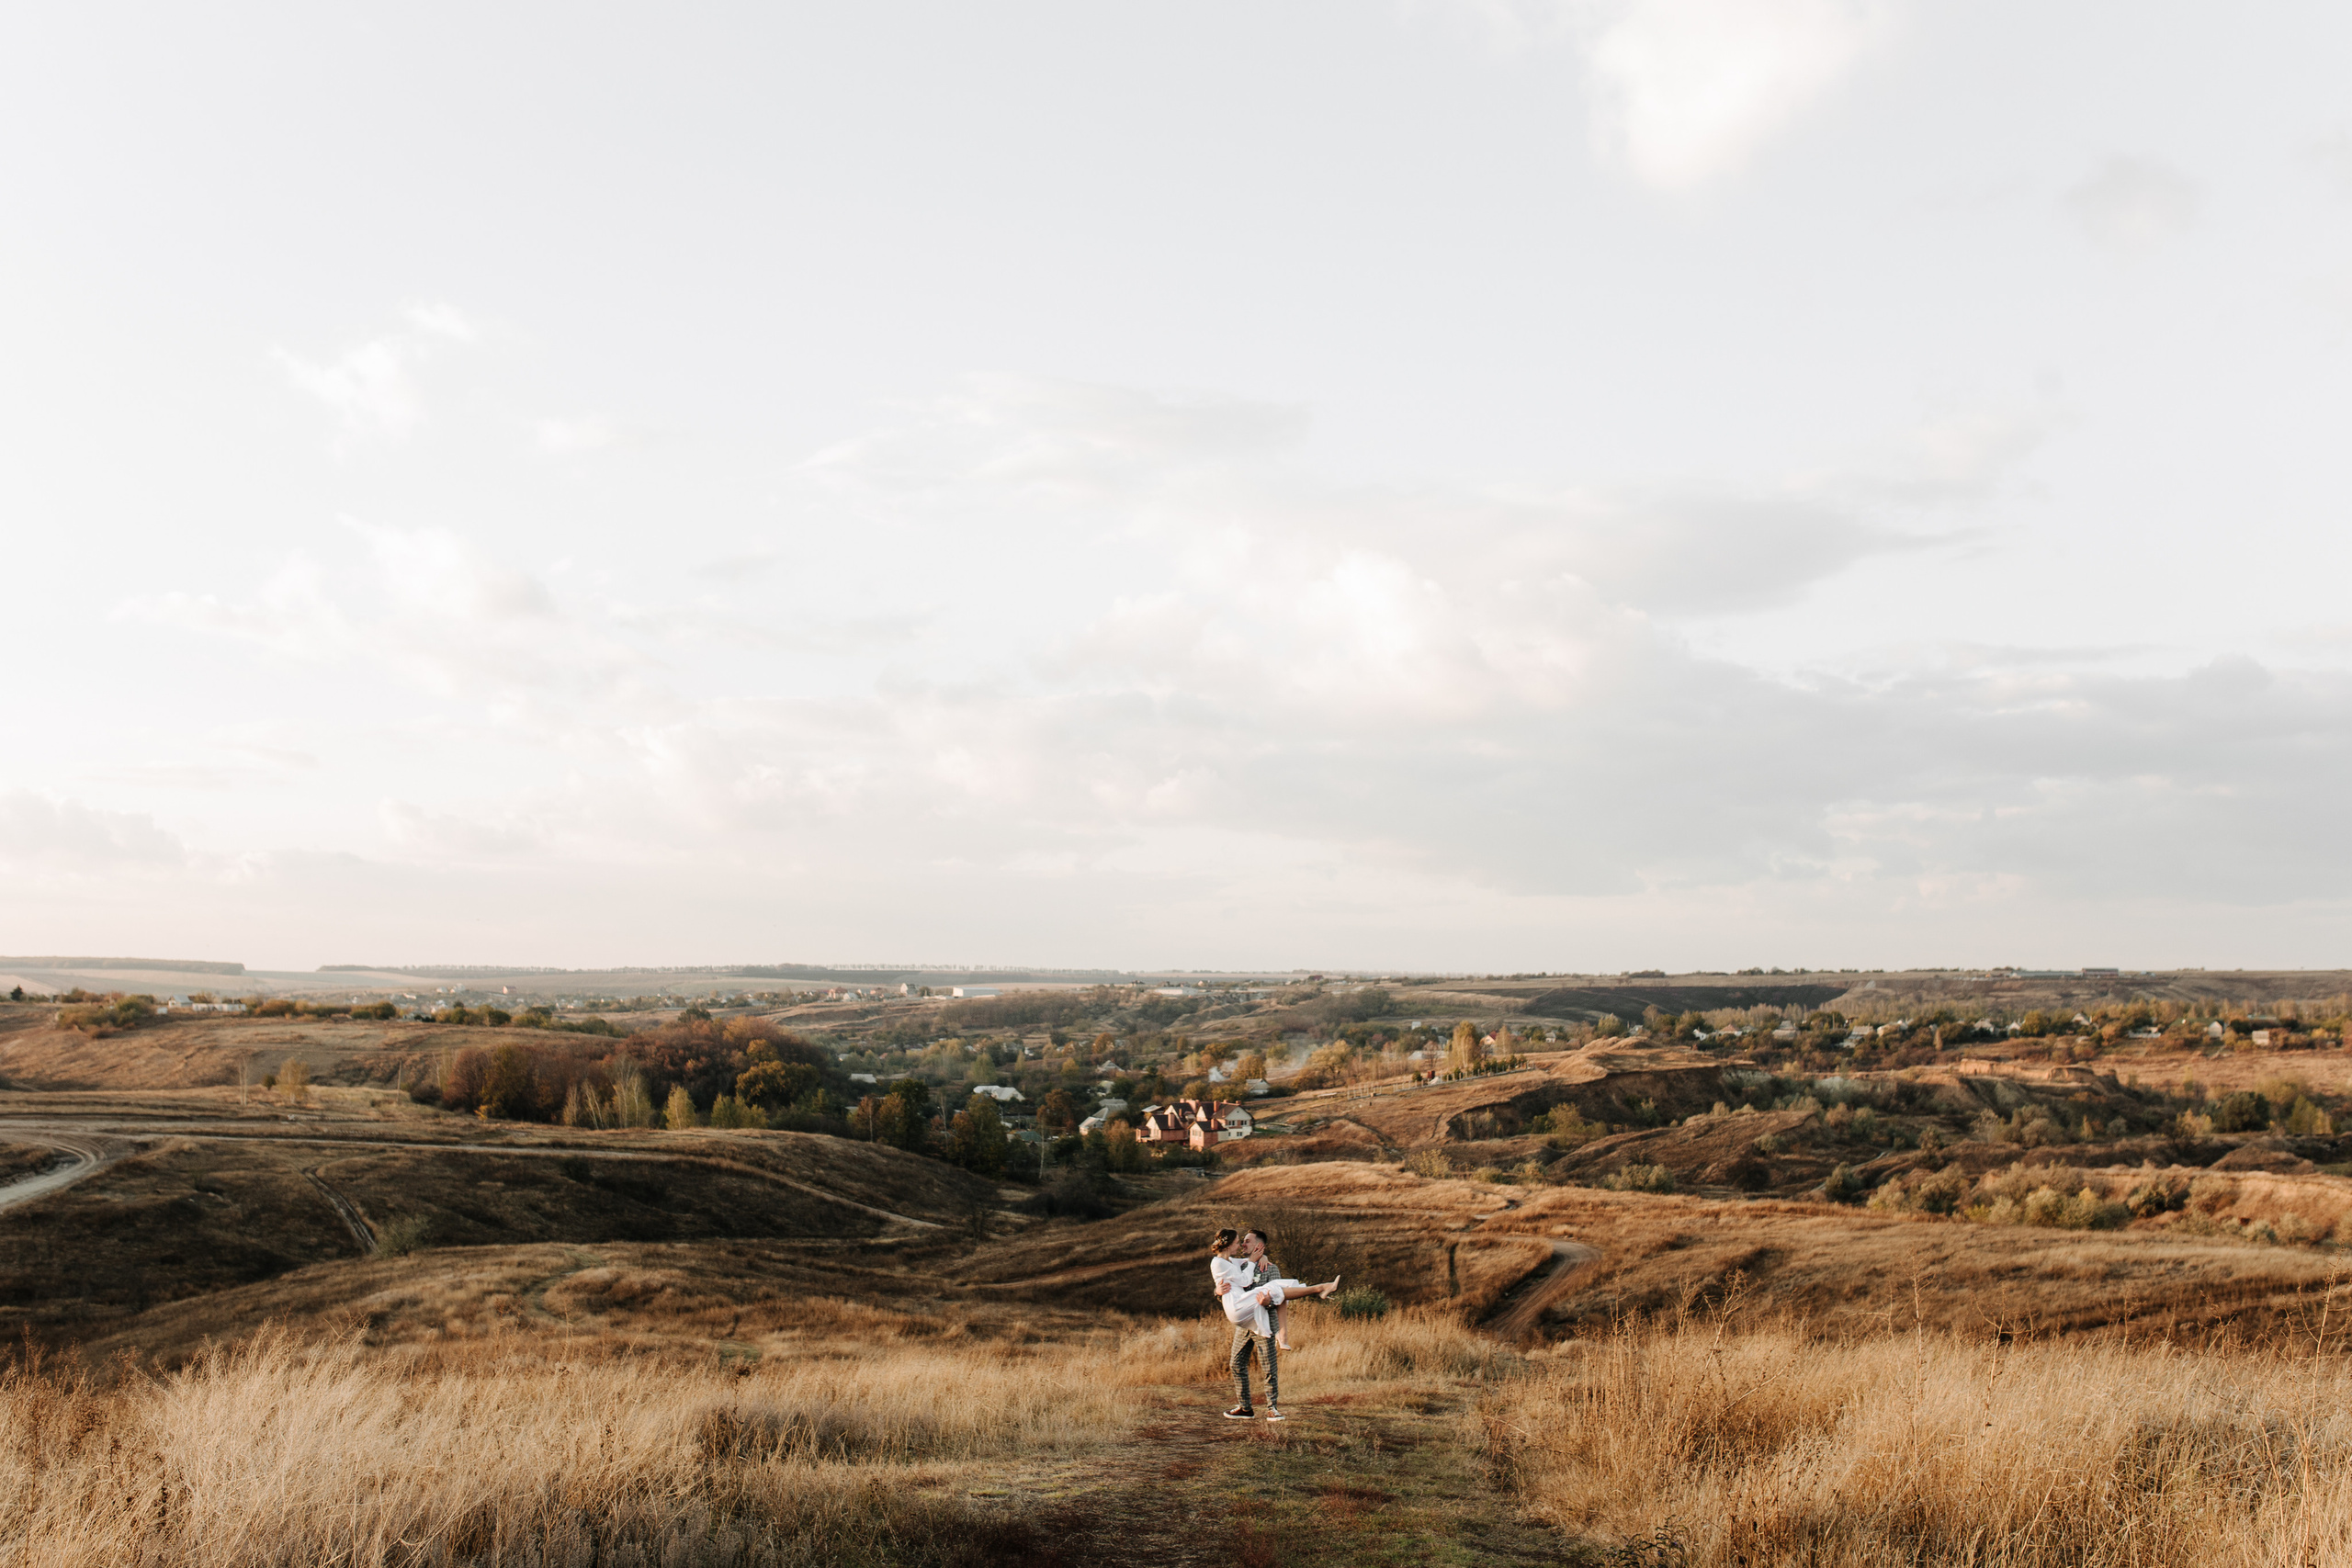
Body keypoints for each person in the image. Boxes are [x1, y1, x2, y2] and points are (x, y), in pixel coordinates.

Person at [1213, 1226, 1338, 1422]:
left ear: (1259, 1246)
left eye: (1247, 1241)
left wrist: (1268, 1302)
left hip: (1264, 1323)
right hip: (1244, 1324)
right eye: (1241, 1241)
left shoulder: (1270, 1268)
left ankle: (1272, 1409)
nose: (1243, 1244)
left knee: (1269, 1367)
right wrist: (1217, 1292)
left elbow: (1280, 1300)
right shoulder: (1237, 1264)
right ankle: (1245, 1407)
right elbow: (1228, 1287)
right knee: (1236, 1364)